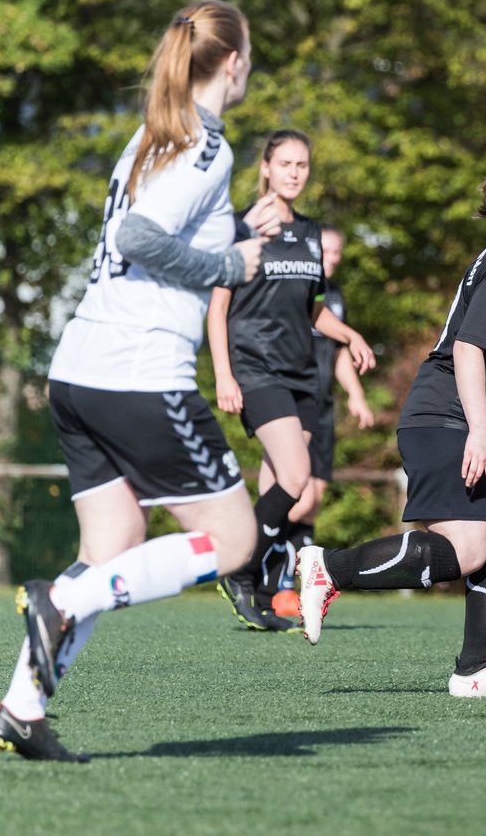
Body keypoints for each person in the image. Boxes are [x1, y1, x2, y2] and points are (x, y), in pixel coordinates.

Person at [0, 0, 270, 762]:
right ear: (234, 63)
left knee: (112, 541)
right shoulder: (209, 147)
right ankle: (60, 600)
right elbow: (138, 236)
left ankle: (21, 708)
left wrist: (242, 231)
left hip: (80, 368)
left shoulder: (152, 137)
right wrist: (227, 265)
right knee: (237, 541)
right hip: (141, 373)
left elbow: (153, 228)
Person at [295, 152, 486, 698]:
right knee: (467, 550)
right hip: (446, 417)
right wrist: (480, 432)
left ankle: (475, 671)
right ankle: (328, 569)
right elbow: (467, 348)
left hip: (463, 417)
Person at [208, 131, 375, 631]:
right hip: (257, 368)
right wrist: (223, 374)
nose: (295, 172)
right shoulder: (242, 227)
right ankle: (237, 568)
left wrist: (349, 334)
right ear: (265, 167)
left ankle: (260, 588)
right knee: (297, 479)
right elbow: (217, 309)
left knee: (279, 482)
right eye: (285, 163)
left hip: (302, 372)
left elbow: (310, 310)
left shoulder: (309, 232)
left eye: (302, 164)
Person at [265, 223, 375, 620]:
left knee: (312, 505)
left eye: (335, 254)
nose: (330, 260)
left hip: (324, 405)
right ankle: (268, 575)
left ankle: (295, 588)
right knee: (299, 497)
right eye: (324, 252)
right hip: (294, 401)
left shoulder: (335, 296)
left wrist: (356, 395)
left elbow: (336, 351)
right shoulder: (292, 288)